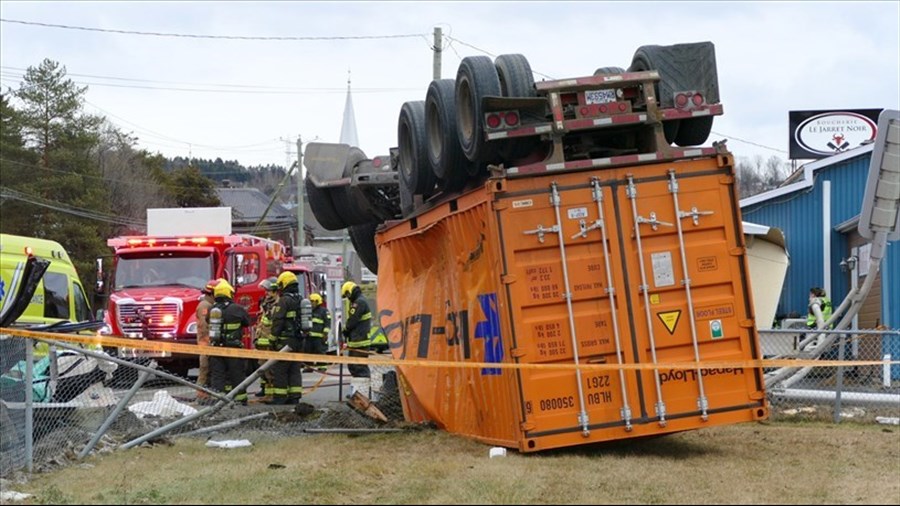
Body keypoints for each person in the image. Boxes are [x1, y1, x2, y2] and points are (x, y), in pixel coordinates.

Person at [207, 279, 252, 405]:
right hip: (234, 348)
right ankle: (240, 400)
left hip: (216, 348)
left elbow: (207, 321)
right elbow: (247, 322)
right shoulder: (237, 309)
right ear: (229, 293)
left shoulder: (212, 309)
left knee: (218, 375)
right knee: (237, 374)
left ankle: (219, 400)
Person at [269, 271, 304, 405]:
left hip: (285, 341)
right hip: (299, 340)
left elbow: (278, 321)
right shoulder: (301, 299)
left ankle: (280, 397)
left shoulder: (284, 300)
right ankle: (294, 396)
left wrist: (272, 338)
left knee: (281, 369)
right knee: (295, 368)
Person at [252, 277, 279, 399]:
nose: (266, 293)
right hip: (262, 342)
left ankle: (271, 394)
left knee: (270, 370)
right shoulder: (266, 304)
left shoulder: (277, 305)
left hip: (270, 343)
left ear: (275, 291)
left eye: (269, 291)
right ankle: (266, 392)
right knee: (263, 368)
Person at [194, 279, 219, 401]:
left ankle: (205, 392)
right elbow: (204, 326)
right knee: (205, 368)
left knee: (209, 368)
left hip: (208, 342)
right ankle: (201, 393)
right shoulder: (205, 306)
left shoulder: (210, 305)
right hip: (206, 343)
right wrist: (211, 340)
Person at [341, 281, 372, 380]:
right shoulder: (359, 301)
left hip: (360, 341)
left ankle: (363, 391)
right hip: (357, 341)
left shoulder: (359, 302)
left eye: (347, 295)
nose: (348, 297)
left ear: (350, 291)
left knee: (359, 368)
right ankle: (358, 392)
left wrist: (345, 330)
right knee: (353, 366)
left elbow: (352, 320)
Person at [306, 292, 332, 372]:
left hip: (320, 337)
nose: (311, 303)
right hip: (309, 336)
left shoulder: (324, 311)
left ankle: (323, 367)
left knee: (320, 351)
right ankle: (309, 367)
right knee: (308, 351)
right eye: (310, 301)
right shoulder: (308, 311)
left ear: (317, 301)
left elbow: (327, 323)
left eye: (313, 301)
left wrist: (325, 334)